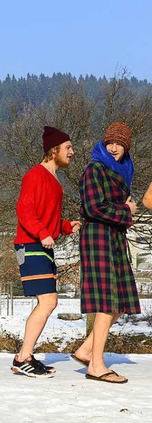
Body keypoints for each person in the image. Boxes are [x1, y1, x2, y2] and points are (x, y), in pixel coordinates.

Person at [12, 126, 81, 378]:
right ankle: (23, 357)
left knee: (48, 301)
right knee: (48, 301)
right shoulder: (35, 175)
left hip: (42, 244)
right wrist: (42, 233)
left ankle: (24, 356)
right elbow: (25, 210)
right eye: (68, 148)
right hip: (31, 245)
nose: (72, 152)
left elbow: (47, 218)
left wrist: (64, 226)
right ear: (54, 150)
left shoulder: (54, 180)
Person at [73, 123, 139, 384]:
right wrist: (127, 211)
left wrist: (125, 211)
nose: (113, 148)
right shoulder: (95, 168)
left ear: (126, 147)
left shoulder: (124, 172)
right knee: (105, 303)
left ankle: (86, 350)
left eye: (119, 144)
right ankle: (96, 365)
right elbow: (94, 207)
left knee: (121, 303)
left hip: (114, 237)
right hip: (97, 236)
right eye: (110, 142)